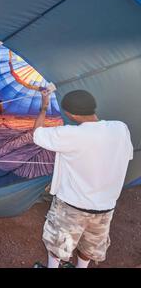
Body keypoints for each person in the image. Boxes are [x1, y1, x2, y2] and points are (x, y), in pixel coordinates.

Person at [32, 89, 133, 268]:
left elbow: (37, 134)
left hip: (72, 206)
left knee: (58, 246)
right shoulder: (120, 128)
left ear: (73, 115)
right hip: (105, 207)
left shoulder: (71, 134)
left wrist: (44, 107)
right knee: (91, 246)